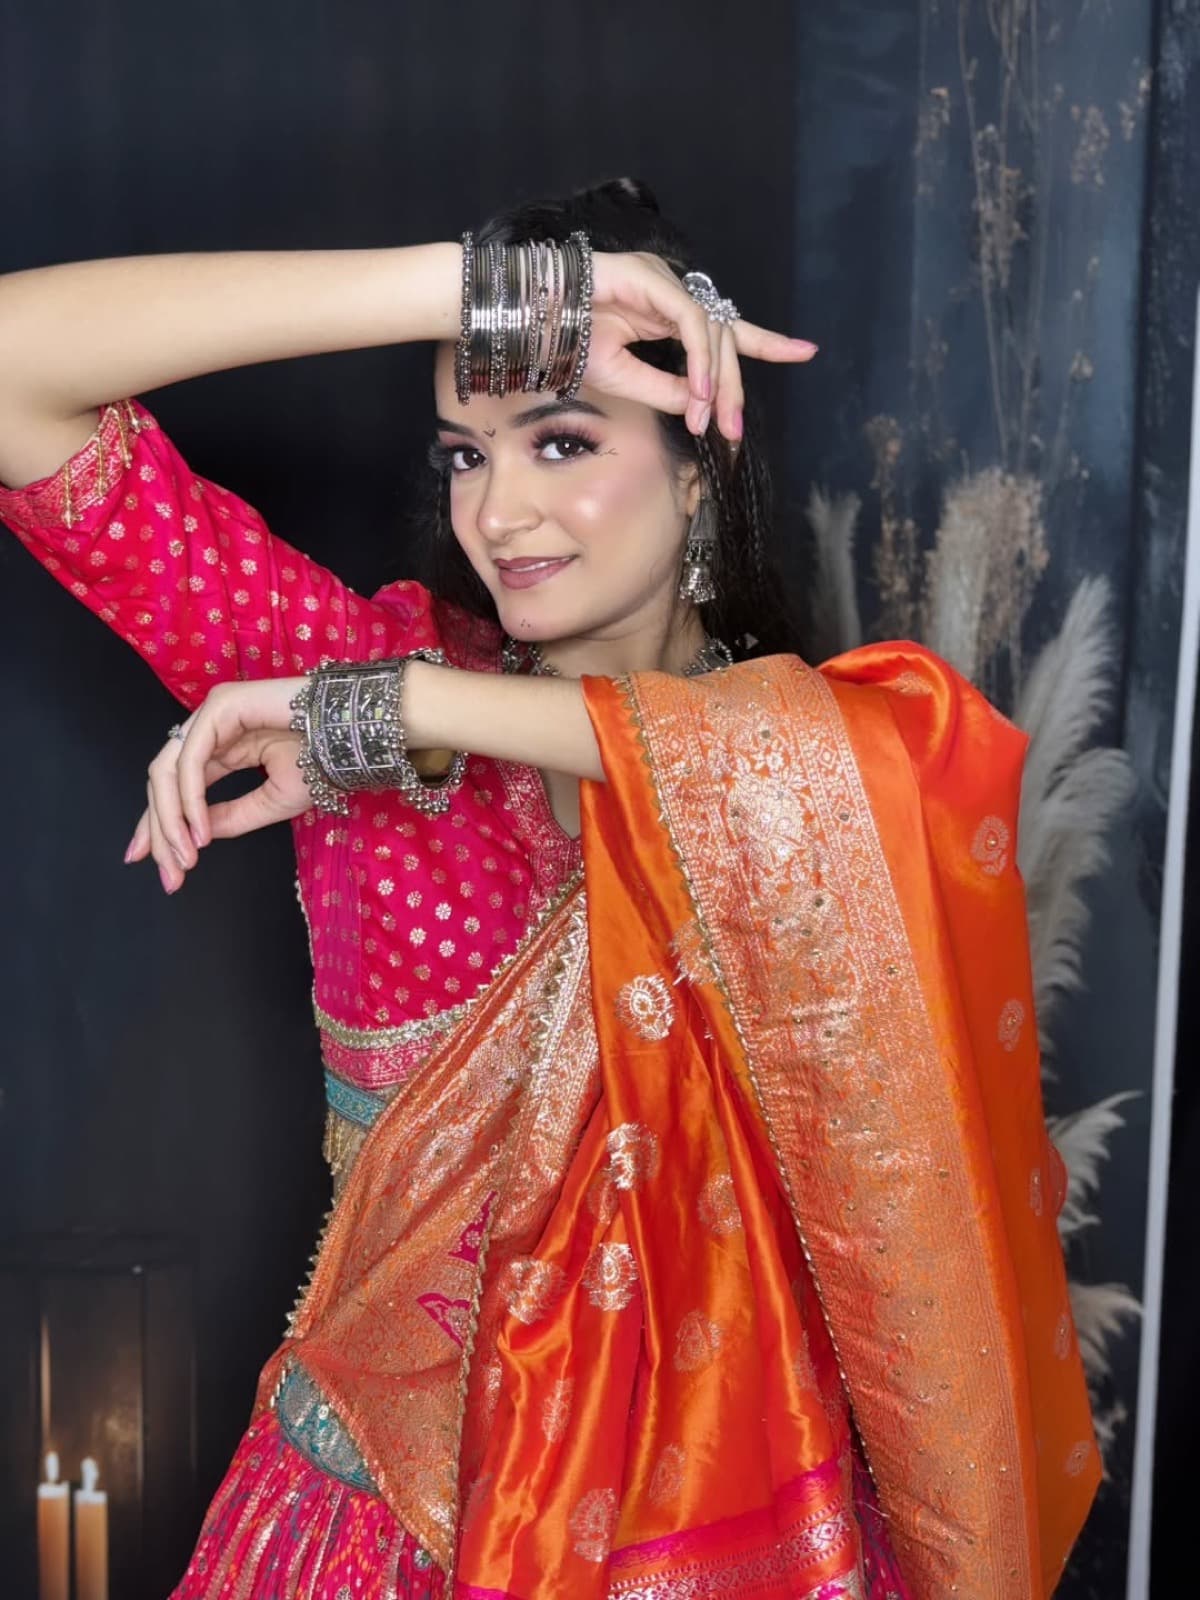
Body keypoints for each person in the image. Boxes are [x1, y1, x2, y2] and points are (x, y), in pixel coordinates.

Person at [0, 178, 1098, 1599]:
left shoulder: (823, 786)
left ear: (699, 460)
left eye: (560, 440)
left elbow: (810, 775)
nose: (499, 511)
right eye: (465, 453)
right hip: (380, 1541)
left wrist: (410, 708)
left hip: (728, 1550)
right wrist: (466, 290)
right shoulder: (368, 698)